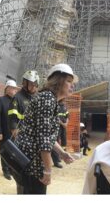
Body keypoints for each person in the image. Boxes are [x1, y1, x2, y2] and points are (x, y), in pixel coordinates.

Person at [13, 63, 77, 194]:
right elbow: (44, 139)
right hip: (30, 165)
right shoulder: (47, 98)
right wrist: (48, 170)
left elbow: (47, 136)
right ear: (58, 82)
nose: (72, 85)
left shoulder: (50, 100)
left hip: (29, 162)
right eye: (69, 81)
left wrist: (62, 153)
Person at [0, 80, 18, 180]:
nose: (14, 90)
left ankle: (11, 169)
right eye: (12, 88)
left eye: (15, 88)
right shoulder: (1, 100)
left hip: (14, 132)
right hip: (4, 132)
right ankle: (5, 170)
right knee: (4, 151)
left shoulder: (15, 101)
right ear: (7, 89)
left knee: (12, 152)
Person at [8, 70, 39, 138]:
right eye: (32, 84)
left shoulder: (34, 99)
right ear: (25, 83)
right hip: (19, 138)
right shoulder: (17, 98)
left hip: (30, 137)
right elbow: (13, 122)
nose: (34, 87)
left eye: (35, 84)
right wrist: (20, 140)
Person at [51, 103, 69, 168]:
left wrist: (66, 123)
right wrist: (61, 123)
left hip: (63, 128)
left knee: (64, 142)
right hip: (56, 127)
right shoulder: (55, 105)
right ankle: (56, 161)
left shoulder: (64, 107)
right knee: (54, 142)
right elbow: (55, 118)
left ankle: (61, 156)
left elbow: (67, 116)